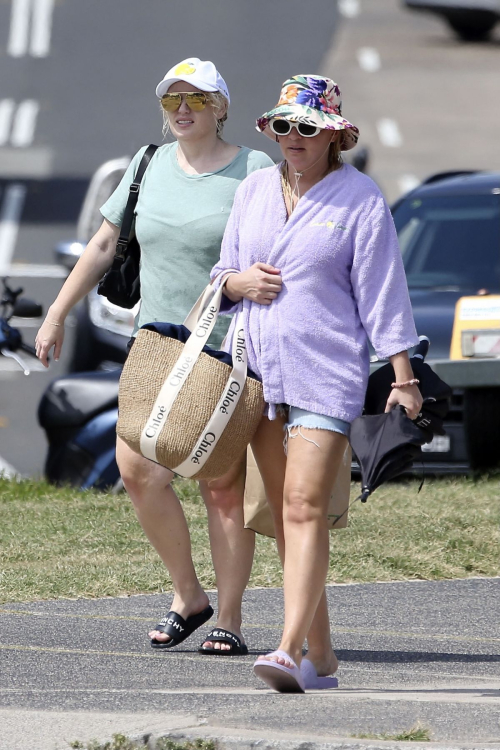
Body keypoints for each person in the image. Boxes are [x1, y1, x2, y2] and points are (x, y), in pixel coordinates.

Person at [35, 58, 273, 654]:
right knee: (138, 470)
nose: (183, 109)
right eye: (172, 101)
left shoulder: (255, 169)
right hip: (155, 342)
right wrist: (56, 312)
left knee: (220, 486)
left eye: (196, 99)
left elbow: (276, 251)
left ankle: (231, 620)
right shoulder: (147, 165)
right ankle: (188, 596)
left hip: (225, 347)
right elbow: (105, 242)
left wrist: (240, 283)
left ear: (220, 105)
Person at [211, 74, 423, 691]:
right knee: (285, 517)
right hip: (255, 372)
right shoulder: (252, 190)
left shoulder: (360, 200)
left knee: (305, 507)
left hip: (325, 373)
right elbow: (224, 272)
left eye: (306, 127)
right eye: (283, 126)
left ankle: (286, 648)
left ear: (333, 135)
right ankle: (322, 657)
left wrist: (402, 377)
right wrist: (238, 284)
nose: (292, 137)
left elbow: (384, 293)